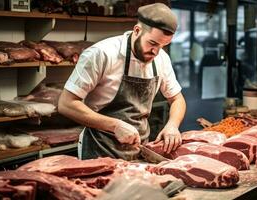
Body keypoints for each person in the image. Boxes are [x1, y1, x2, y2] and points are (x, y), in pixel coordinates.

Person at [58, 3, 186, 160]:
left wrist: (172, 125)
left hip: (139, 150)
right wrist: (115, 125)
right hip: (100, 151)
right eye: (152, 43)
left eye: (163, 46)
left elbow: (177, 99)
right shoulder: (102, 54)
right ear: (137, 31)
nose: (156, 51)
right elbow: (66, 104)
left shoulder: (161, 59)